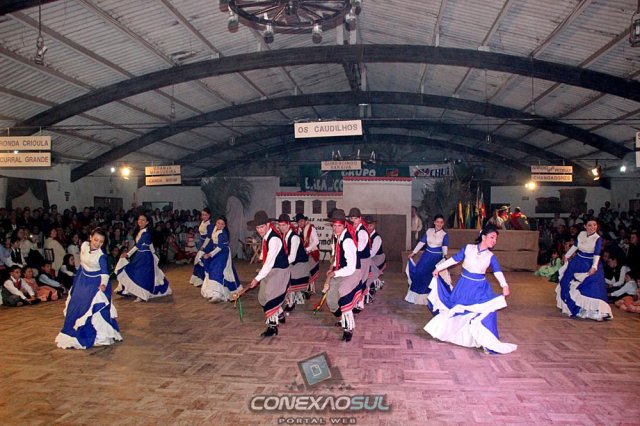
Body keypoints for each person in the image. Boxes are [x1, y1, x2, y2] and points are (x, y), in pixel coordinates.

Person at [424, 226, 517, 354]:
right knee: (457, 310)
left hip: (480, 289)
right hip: (464, 286)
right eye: (492, 237)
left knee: (487, 313)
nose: (494, 241)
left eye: (496, 238)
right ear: (483, 237)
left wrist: (504, 285)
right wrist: (438, 268)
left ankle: (488, 344)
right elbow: (454, 259)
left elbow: (497, 271)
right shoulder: (469, 248)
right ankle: (447, 333)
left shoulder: (491, 256)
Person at [55, 228, 122, 349]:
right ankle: (71, 330)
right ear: (90, 238)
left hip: (95, 283)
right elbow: (82, 263)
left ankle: (99, 335)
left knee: (90, 306)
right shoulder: (84, 245)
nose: (98, 243)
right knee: (75, 303)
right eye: (96, 240)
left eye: (101, 241)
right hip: (82, 279)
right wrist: (77, 279)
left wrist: (103, 285)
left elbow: (105, 273)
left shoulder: (101, 256)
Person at [242, 210, 290, 337]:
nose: (259, 230)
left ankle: (272, 327)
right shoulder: (266, 237)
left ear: (268, 224)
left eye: (262, 227)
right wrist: (261, 273)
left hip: (280, 270)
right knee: (262, 297)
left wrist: (256, 279)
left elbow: (269, 263)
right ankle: (280, 313)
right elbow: (265, 259)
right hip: (270, 269)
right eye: (257, 227)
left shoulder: (274, 239)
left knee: (270, 297)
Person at [556, 219, 612, 321]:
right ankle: (577, 308)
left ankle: (597, 310)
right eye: (590, 225)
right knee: (566, 281)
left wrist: (594, 267)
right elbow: (575, 246)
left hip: (591, 263)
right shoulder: (581, 234)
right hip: (578, 262)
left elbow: (597, 253)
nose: (592, 227)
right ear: (585, 226)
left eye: (595, 225)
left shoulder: (597, 238)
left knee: (593, 287)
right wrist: (567, 256)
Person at [323, 209, 363, 342]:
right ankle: (343, 319)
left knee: (344, 293)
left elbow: (351, 267)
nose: (336, 228)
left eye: (339, 226)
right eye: (334, 225)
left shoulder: (347, 241)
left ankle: (348, 327)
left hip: (353, 272)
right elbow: (336, 257)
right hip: (341, 270)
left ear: (345, 225)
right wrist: (332, 269)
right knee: (330, 299)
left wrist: (334, 273)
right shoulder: (337, 237)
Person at [115, 214, 171, 302]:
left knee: (141, 275)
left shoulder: (146, 232)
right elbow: (150, 244)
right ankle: (133, 291)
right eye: (139, 219)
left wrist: (128, 254)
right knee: (136, 273)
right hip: (141, 255)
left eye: (143, 220)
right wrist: (154, 253)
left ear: (147, 222)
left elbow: (138, 245)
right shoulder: (140, 231)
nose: (140, 221)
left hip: (145, 256)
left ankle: (141, 295)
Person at [406, 214, 448, 306]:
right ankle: (415, 297)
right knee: (419, 272)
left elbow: (445, 246)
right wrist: (413, 253)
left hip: (436, 258)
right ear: (434, 222)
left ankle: (429, 298)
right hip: (426, 256)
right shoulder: (429, 231)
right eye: (437, 222)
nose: (439, 224)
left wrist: (445, 256)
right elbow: (422, 242)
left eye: (441, 222)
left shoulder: (444, 234)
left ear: (443, 223)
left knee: (430, 276)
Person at [200, 215, 241, 302]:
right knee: (212, 269)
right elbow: (211, 240)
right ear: (216, 222)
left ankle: (218, 294)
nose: (220, 225)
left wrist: (210, 254)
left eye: (222, 224)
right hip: (216, 252)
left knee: (217, 271)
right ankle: (213, 292)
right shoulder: (214, 229)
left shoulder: (223, 234)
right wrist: (206, 250)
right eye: (218, 223)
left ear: (225, 225)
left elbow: (220, 247)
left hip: (223, 253)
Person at [278, 214, 309, 312]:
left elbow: (292, 257)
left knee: (287, 278)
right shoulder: (285, 236)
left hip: (301, 264)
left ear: (288, 225)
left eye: (284, 225)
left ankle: (291, 303)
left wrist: (280, 264)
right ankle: (295, 299)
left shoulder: (294, 237)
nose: (282, 227)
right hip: (294, 263)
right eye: (280, 225)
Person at [348, 208, 372, 307]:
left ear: (360, 218)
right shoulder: (353, 229)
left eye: (356, 218)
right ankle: (357, 301)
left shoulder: (362, 232)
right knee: (356, 280)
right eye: (351, 218)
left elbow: (360, 248)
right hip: (357, 258)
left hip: (363, 259)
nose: (353, 221)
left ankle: (360, 303)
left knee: (361, 280)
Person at [295, 213, 320, 296]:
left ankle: (308, 290)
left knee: (308, 271)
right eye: (298, 222)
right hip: (303, 254)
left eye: (302, 221)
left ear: (305, 221)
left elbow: (316, 241)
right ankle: (306, 289)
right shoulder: (298, 230)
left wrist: (307, 249)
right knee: (303, 271)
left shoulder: (311, 228)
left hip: (312, 253)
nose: (300, 223)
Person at [190, 208, 213, 287]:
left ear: (209, 215)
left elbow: (209, 237)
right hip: (202, 243)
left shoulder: (210, 224)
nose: (203, 216)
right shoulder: (203, 222)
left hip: (207, 244)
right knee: (199, 260)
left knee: (202, 261)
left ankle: (202, 280)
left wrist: (203, 246)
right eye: (202, 215)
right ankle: (197, 278)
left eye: (205, 215)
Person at [366, 216, 386, 294]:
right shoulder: (364, 234)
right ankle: (377, 282)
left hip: (378, 257)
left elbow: (372, 253)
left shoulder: (377, 237)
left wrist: (362, 257)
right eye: (367, 225)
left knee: (367, 266)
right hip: (370, 256)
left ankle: (371, 287)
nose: (369, 227)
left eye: (371, 225)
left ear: (374, 225)